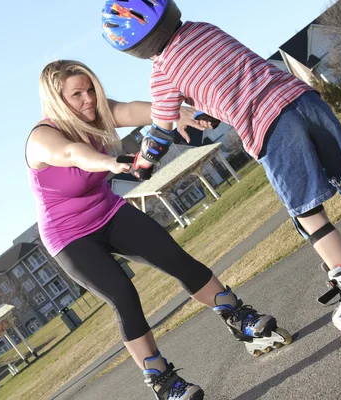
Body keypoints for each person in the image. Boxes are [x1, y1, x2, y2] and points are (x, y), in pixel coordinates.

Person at [100, 0, 341, 352]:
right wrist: (213, 109)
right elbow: (228, 76)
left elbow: (161, 129)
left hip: (272, 127)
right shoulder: (203, 30)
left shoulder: (162, 73)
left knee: (308, 215)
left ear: (132, 47)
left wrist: (142, 166)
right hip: (302, 99)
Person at [25, 60, 292, 400]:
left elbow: (140, 110)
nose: (88, 99)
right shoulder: (42, 137)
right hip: (69, 237)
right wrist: (110, 162)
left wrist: (177, 114)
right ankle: (163, 382)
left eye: (90, 89)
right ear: (56, 100)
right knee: (123, 293)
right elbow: (72, 153)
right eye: (76, 94)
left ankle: (239, 317)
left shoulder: (99, 115)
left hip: (108, 211)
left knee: (174, 257)